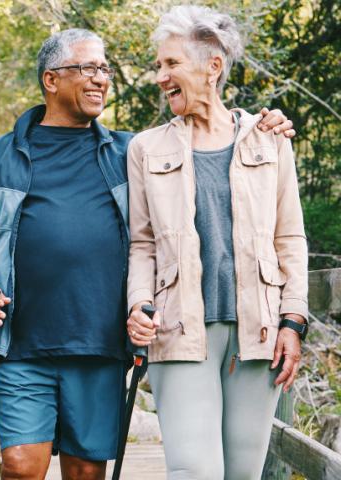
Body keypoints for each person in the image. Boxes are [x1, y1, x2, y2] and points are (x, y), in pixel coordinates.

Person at [0, 27, 295, 480]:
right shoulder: (0, 155)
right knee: (19, 466)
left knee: (86, 472)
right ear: (51, 80)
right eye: (88, 68)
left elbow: (200, 165)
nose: (101, 79)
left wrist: (258, 123)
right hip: (23, 342)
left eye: (104, 69)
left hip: (99, 343)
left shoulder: (130, 150)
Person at [126, 6, 308, 480]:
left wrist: (295, 321)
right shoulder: (146, 148)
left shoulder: (270, 139)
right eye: (158, 66)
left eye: (171, 64)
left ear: (212, 67)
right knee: (195, 472)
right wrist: (138, 304)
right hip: (179, 329)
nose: (160, 76)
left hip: (259, 334)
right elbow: (141, 243)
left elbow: (289, 237)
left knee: (243, 473)